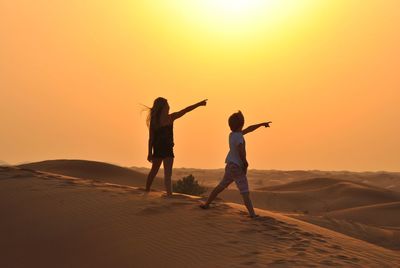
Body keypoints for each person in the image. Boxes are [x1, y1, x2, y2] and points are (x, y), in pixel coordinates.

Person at [200, 111, 271, 217]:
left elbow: (249, 129)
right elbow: (240, 151)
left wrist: (261, 124)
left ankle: (207, 204)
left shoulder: (232, 135)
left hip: (230, 166)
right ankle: (252, 215)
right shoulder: (239, 137)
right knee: (245, 192)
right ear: (242, 123)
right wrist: (245, 163)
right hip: (237, 167)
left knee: (220, 186)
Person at [145, 97, 207, 196]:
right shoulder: (155, 122)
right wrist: (149, 153)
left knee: (167, 174)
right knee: (154, 171)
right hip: (158, 150)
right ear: (163, 107)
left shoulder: (170, 118)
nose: (169, 107)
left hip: (168, 149)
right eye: (167, 105)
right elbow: (151, 139)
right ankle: (146, 190)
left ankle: (169, 194)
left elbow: (185, 110)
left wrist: (198, 104)